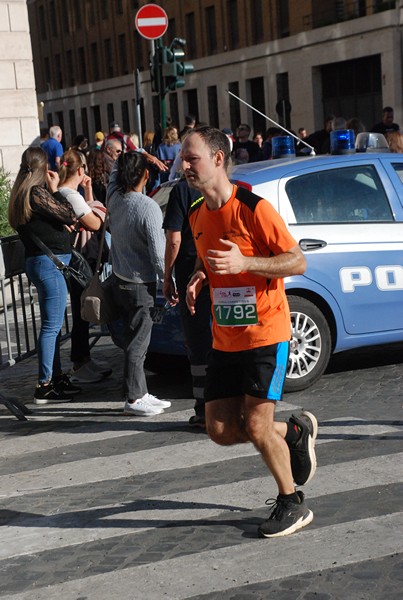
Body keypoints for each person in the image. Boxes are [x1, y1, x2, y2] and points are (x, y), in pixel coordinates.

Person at [182, 126, 318, 538]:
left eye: (193, 159)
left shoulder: (254, 209)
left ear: (218, 159)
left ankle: (292, 502)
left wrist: (247, 264)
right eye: (183, 159)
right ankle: (294, 433)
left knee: (257, 425)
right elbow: (211, 260)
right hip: (225, 337)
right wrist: (199, 275)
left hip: (266, 332)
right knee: (220, 430)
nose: (184, 166)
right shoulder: (195, 214)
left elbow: (296, 262)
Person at [8, 146, 80, 404]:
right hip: (49, 265)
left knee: (54, 325)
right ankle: (45, 385)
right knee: (51, 327)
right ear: (42, 167)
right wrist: (57, 188)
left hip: (40, 263)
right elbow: (69, 214)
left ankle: (56, 378)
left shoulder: (21, 194)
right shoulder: (37, 193)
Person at [106, 151, 170, 417]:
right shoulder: (148, 207)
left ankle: (140, 392)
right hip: (140, 283)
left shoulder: (114, 197)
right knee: (138, 343)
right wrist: (170, 281)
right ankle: (134, 398)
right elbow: (158, 254)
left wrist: (136, 157)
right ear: (146, 175)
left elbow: (112, 175)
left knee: (135, 339)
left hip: (120, 278)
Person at [58, 149, 111, 384]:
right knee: (82, 311)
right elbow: (96, 222)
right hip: (76, 260)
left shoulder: (62, 192)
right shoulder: (70, 195)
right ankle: (80, 362)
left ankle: (84, 359)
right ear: (80, 170)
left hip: (71, 258)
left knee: (82, 311)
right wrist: (98, 204)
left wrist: (89, 193)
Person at [163, 176, 212, 428]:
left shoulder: (181, 190)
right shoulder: (223, 185)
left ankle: (205, 411)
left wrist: (167, 275)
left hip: (189, 273)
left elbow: (174, 239)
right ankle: (229, 406)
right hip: (220, 270)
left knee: (198, 342)